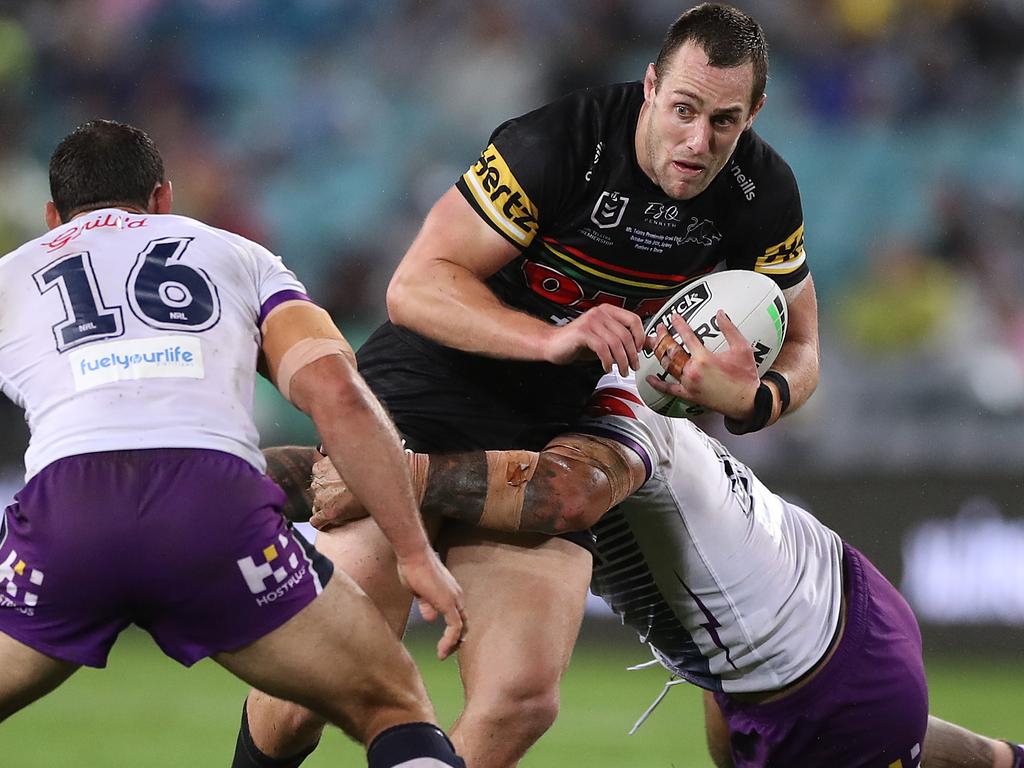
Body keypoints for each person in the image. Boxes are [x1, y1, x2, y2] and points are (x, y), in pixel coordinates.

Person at [238, 4, 820, 767]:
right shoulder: (557, 145)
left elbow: (804, 343)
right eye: (683, 109)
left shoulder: (760, 193)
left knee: (520, 700)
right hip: (423, 392)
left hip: (552, 423)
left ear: (755, 113)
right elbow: (413, 287)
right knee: (324, 677)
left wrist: (750, 399)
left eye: (723, 120)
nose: (698, 141)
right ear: (650, 87)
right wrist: (552, 338)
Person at [0, 119, 468, 768]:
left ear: (54, 216)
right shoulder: (240, 256)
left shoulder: (12, 274)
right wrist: (416, 554)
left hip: (68, 516)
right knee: (392, 705)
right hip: (212, 510)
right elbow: (337, 394)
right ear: (163, 199)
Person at [308, 367, 1024, 768]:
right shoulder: (553, 405)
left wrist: (399, 475)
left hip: (818, 688)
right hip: (830, 603)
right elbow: (339, 476)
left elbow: (563, 495)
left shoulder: (606, 418)